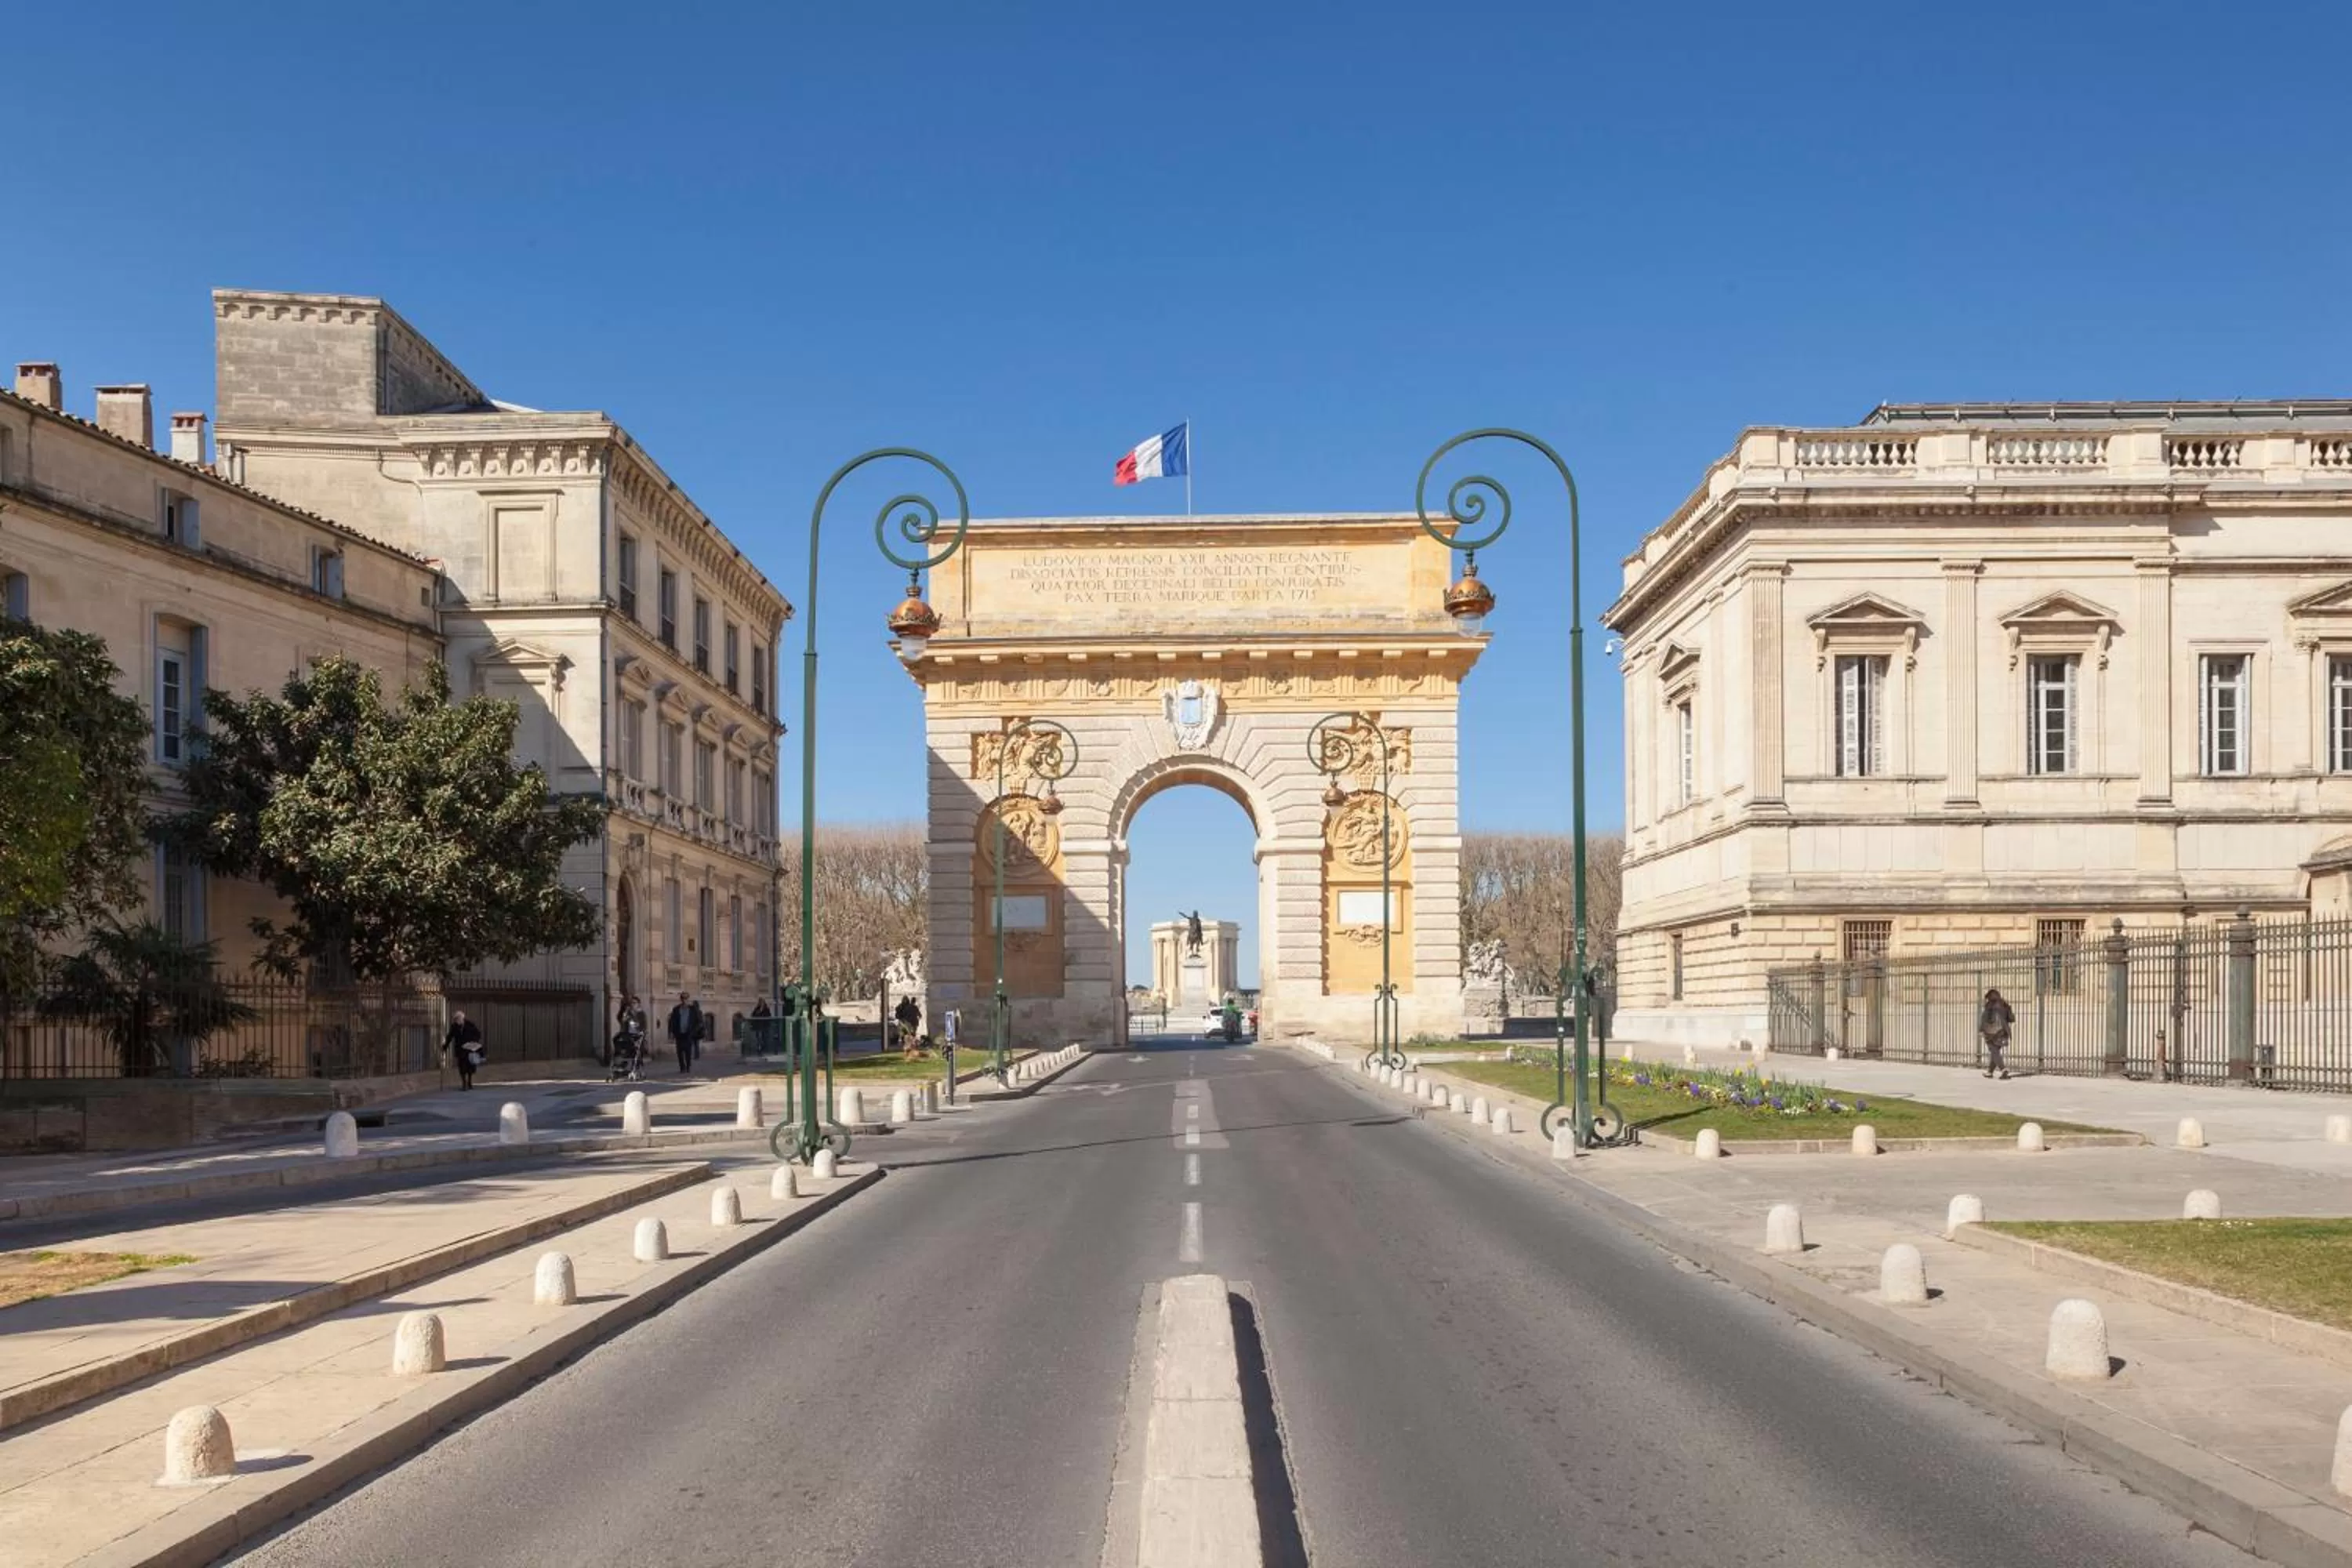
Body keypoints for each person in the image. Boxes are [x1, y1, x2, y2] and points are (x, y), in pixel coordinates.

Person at [1978, 987, 2016, 1079]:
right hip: (2004, 1032)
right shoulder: (2004, 1004)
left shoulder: (1990, 1005)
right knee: (1995, 1052)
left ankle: (2003, 1069)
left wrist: (1981, 1030)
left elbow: (1985, 1019)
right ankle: (1990, 1072)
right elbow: (2011, 1019)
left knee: (1994, 1050)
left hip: (1992, 1033)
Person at [444, 1009, 485, 1090]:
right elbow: (450, 1036)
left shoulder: (470, 1025)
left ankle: (469, 1082)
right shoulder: (454, 1026)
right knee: (461, 1067)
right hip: (460, 1049)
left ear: (462, 1018)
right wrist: (445, 1046)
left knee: (470, 1067)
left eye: (458, 1019)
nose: (456, 1021)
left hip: (469, 1049)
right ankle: (464, 1083)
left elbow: (478, 1034)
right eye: (455, 1019)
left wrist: (473, 1041)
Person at [667, 992, 699, 1075]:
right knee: (680, 1052)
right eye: (683, 998)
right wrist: (671, 1032)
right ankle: (682, 1067)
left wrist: (694, 1031)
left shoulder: (692, 1009)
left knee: (688, 1051)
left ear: (688, 999)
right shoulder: (676, 1009)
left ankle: (688, 1066)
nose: (685, 1000)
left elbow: (697, 1021)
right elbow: (672, 1022)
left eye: (686, 998)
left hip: (688, 1034)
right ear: (681, 999)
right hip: (679, 1033)